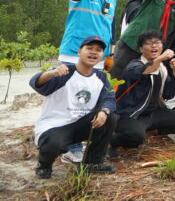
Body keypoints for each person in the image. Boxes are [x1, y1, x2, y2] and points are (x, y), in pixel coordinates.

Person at [31, 36, 117, 178]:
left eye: (98, 50)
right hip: (55, 126)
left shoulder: (101, 77)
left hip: (82, 124)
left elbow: (109, 99)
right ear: (79, 51)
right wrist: (51, 73)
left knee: (110, 117)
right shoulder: (65, 72)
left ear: (102, 55)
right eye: (89, 48)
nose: (94, 52)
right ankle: (44, 165)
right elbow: (36, 84)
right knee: (53, 143)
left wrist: (104, 111)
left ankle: (92, 163)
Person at [111, 31, 175, 149]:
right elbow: (143, 72)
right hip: (131, 113)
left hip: (153, 113)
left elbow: (168, 94)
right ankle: (112, 141)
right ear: (141, 48)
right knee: (136, 137)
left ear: (162, 46)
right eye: (149, 43)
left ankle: (151, 132)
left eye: (157, 42)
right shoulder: (134, 65)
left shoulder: (162, 69)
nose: (154, 46)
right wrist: (160, 58)